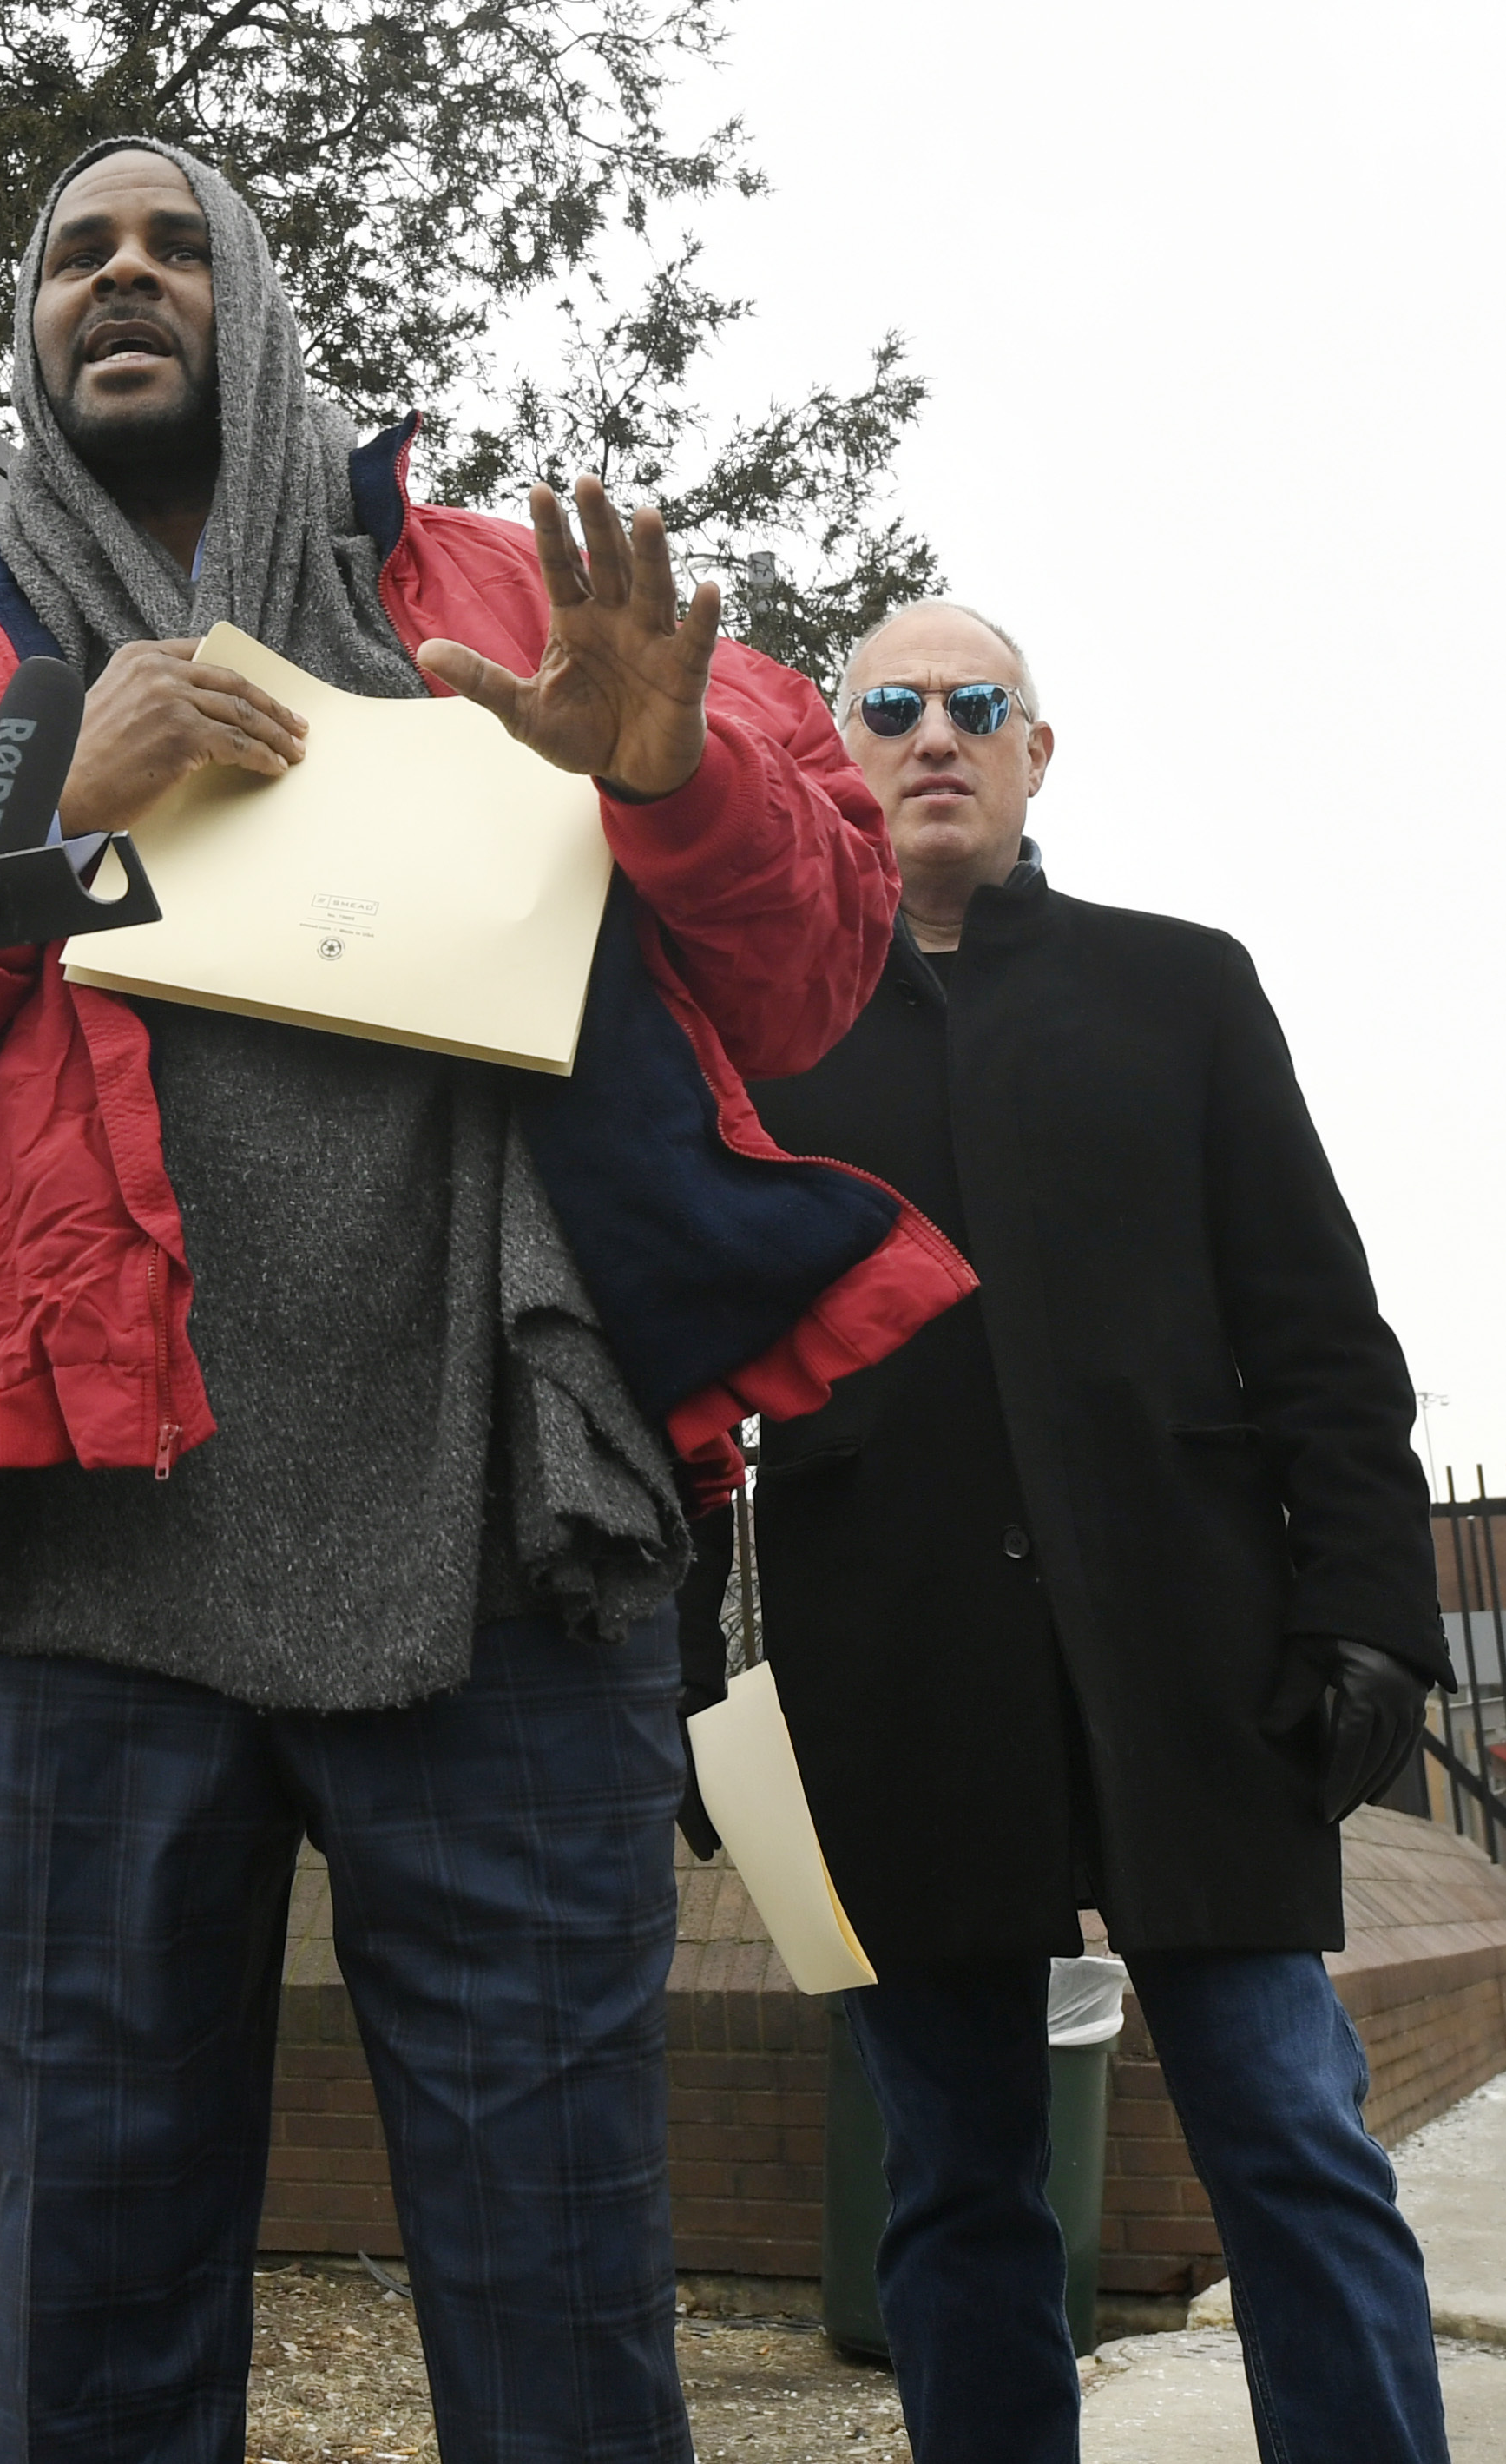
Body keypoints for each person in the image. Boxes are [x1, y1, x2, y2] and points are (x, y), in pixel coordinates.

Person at [0, 139, 965, 2464]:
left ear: (258, 306)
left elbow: (811, 975)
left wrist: (672, 782)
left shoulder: (497, 586)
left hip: (502, 1551)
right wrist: (42, 814)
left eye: (178, 243)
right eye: (79, 247)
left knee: (560, 2301)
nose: (126, 275)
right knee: (87, 2303)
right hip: (87, 1562)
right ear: (32, 330)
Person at [734, 598, 1452, 2462]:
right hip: (896, 1679)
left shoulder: (1182, 989)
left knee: (1292, 2139)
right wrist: (684, 1683)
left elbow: (1323, 1336)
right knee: (958, 2185)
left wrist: (1372, 1612)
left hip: (1202, 1669)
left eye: (981, 703)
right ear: (840, 753)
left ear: (1039, 752)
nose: (936, 733)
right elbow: (687, 1382)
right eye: (889, 705)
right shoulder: (765, 1044)